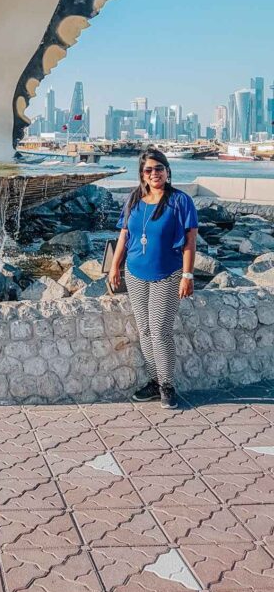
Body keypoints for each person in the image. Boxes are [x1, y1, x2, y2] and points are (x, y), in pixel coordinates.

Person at [108, 147, 198, 409]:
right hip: (135, 273)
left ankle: (167, 385)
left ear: (168, 172)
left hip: (167, 275)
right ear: (142, 175)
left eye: (159, 168)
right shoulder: (134, 199)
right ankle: (154, 381)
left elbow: (190, 241)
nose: (154, 173)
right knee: (145, 331)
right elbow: (124, 235)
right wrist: (115, 267)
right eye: (149, 169)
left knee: (160, 330)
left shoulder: (180, 201)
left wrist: (187, 275)